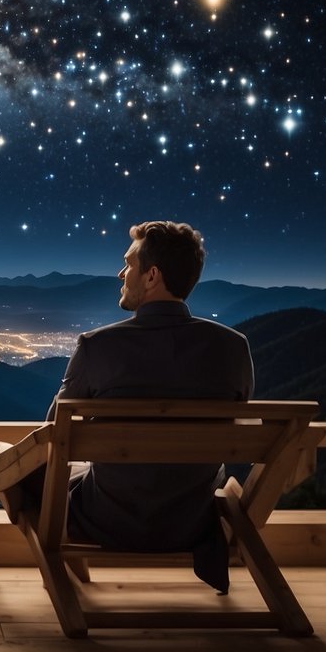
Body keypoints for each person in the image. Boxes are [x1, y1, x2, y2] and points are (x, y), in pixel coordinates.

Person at [41, 221, 254, 591]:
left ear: (152, 275)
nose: (121, 273)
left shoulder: (97, 347)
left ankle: (62, 581)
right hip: (192, 522)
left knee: (19, 475)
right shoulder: (233, 348)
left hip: (104, 521)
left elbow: (52, 436)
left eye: (128, 264)